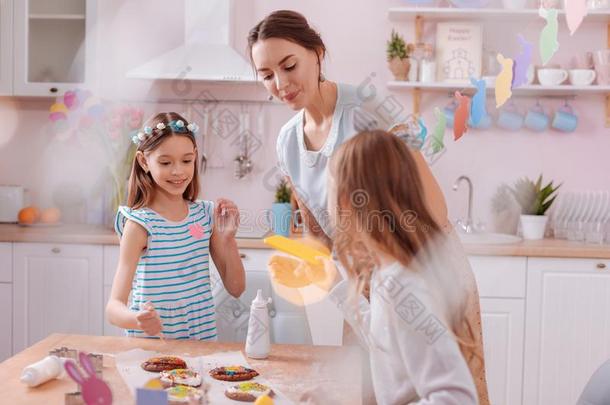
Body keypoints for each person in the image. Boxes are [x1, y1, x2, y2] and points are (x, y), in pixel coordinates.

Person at [249, 10, 490, 404]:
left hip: (421, 268)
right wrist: (318, 271)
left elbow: (433, 211)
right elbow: (316, 233)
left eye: (289, 65)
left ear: (317, 53)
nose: (281, 83)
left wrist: (396, 283)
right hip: (364, 283)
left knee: (447, 388)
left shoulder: (367, 109)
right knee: (371, 391)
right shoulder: (287, 141)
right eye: (266, 74)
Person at [322, 130, 479, 404]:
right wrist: (333, 282)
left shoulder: (402, 286)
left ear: (347, 201)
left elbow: (456, 399)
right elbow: (384, 341)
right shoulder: (390, 274)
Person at [106, 112, 245, 340]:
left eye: (187, 160)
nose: (178, 171)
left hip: (199, 345)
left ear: (195, 158)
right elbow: (113, 308)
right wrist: (138, 319)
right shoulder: (140, 225)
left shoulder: (205, 216)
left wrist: (228, 239)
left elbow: (236, 288)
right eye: (165, 162)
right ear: (144, 161)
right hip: (152, 351)